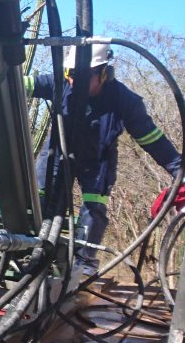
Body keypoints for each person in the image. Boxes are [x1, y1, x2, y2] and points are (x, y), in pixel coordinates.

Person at [28, 44, 181, 273]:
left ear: (103, 74)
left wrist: (179, 169)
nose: (73, 82)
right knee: (39, 197)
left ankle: (84, 264)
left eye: (80, 76)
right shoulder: (60, 84)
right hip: (57, 153)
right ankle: (33, 251)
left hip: (97, 160)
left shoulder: (125, 100)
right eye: (70, 75)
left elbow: (151, 139)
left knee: (94, 208)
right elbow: (21, 83)